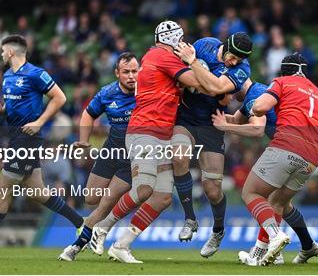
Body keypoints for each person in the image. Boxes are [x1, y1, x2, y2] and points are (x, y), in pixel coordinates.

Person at [86, 20, 202, 264]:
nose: (182, 44)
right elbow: (199, 83)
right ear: (173, 39)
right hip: (144, 131)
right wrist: (193, 60)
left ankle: (121, 245)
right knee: (144, 189)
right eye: (179, 39)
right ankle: (102, 228)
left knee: (161, 197)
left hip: (161, 135)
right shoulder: (163, 56)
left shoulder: (155, 58)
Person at [0, 35, 83, 254]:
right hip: (16, 136)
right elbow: (13, 101)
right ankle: (81, 223)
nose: (0, 54)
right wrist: (1, 108)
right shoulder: (7, 75)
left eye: (2, 51)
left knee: (3, 187)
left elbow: (60, 98)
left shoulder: (36, 73)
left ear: (11, 52)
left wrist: (39, 122)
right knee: (37, 191)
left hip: (28, 137)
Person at [212, 79, 318, 265]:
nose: (229, 94)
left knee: (255, 194)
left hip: (286, 148)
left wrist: (226, 128)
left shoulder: (254, 97)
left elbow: (257, 129)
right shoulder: (256, 93)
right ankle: (306, 245)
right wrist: (214, 118)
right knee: (281, 204)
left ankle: (266, 246)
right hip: (309, 152)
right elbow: (237, 119)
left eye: (230, 88)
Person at [241, 54, 318, 266]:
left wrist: (253, 105)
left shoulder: (282, 82)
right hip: (312, 157)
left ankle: (275, 236)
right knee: (277, 201)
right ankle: (260, 254)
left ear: (284, 71)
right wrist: (308, 146)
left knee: (251, 192)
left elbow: (260, 108)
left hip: (286, 144)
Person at [170, 32, 253, 258]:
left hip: (213, 123)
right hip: (185, 118)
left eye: (239, 59)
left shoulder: (242, 69)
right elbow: (181, 73)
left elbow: (217, 88)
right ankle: (190, 218)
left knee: (212, 189)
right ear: (224, 46)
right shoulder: (204, 44)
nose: (234, 62)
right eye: (232, 56)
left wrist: (194, 64)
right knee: (179, 157)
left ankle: (218, 231)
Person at [58, 52, 138, 260]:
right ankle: (97, 220)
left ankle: (77, 245)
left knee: (105, 204)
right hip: (110, 151)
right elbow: (88, 114)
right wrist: (84, 140)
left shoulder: (146, 92)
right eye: (126, 72)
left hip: (131, 158)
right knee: (91, 198)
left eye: (135, 71)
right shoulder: (107, 93)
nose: (131, 76)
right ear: (117, 73)